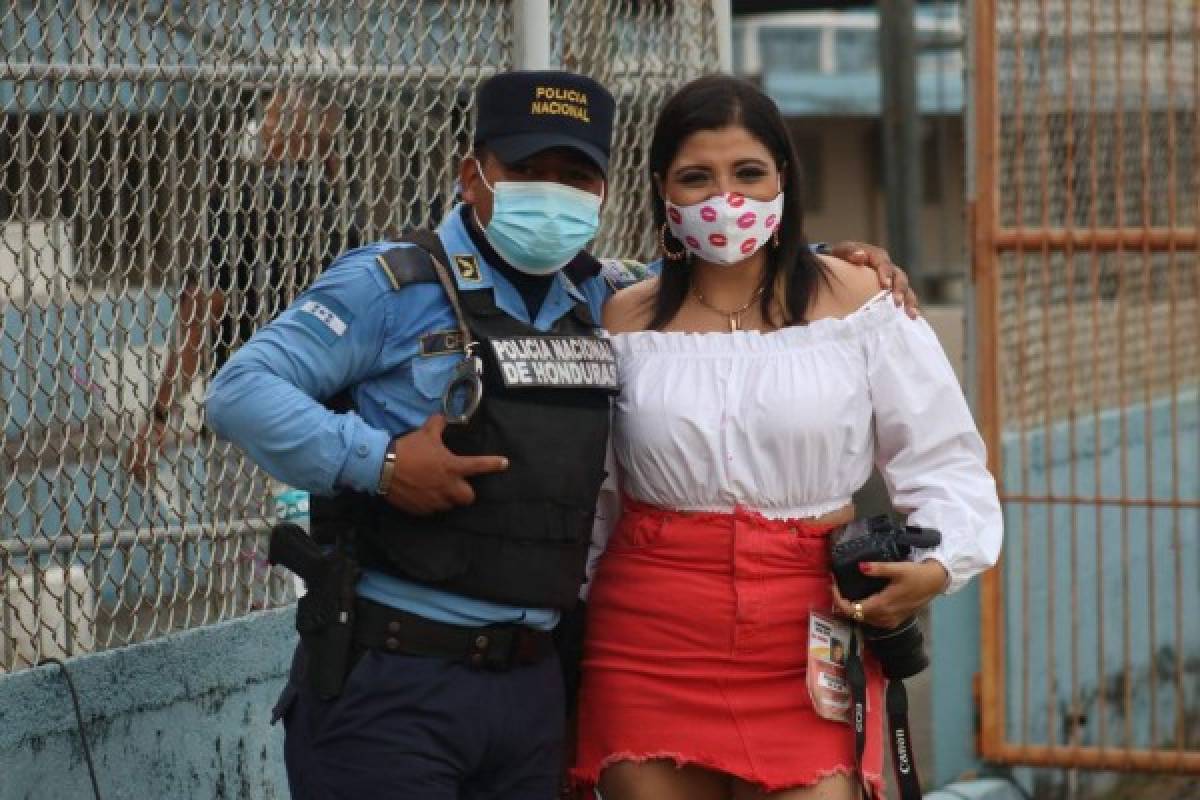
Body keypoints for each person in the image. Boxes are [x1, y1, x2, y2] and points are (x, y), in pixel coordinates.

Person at [205, 69, 915, 799]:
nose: (550, 191)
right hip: (394, 678)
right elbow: (241, 392)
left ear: (603, 192)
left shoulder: (605, 297)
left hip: (533, 689)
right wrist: (379, 463)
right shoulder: (392, 284)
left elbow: (724, 286)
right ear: (472, 176)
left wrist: (829, 258)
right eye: (526, 170)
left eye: (574, 175)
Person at [572, 75, 1003, 800]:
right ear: (660, 189)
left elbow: (944, 462)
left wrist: (938, 567)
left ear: (784, 179)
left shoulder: (863, 304)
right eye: (695, 178)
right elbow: (599, 498)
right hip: (647, 633)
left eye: (747, 173)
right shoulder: (621, 319)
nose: (723, 198)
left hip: (810, 627)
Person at [127, 86, 359, 485]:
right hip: (324, 413)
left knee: (245, 537)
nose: (257, 132)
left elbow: (201, 311)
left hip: (248, 413)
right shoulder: (338, 211)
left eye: (266, 124)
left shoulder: (239, 203)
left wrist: (160, 414)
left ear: (287, 138)